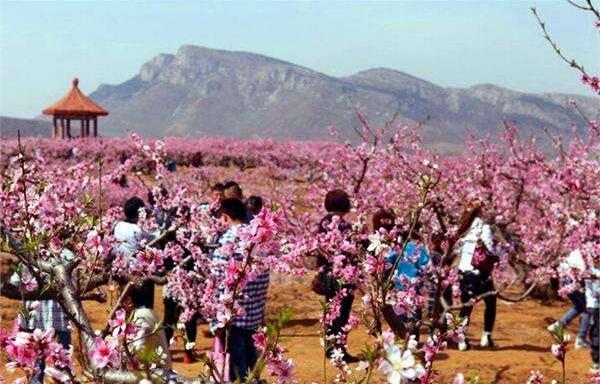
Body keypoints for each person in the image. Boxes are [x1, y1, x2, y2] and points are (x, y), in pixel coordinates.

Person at [211, 198, 270, 380]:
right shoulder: (256, 237)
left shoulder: (228, 240)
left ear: (225, 217)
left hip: (233, 316)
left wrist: (216, 319)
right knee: (251, 357)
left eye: (221, 219)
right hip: (254, 313)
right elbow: (265, 273)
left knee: (237, 364)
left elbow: (217, 279)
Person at [10, 249, 74, 384]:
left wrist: (31, 285)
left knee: (36, 362)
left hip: (36, 319)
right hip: (61, 319)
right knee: (63, 361)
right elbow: (73, 283)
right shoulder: (67, 255)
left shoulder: (29, 255)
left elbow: (15, 281)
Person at [316, 189, 358, 363]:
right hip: (343, 275)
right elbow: (350, 251)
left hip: (327, 273)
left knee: (331, 310)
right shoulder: (343, 225)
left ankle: (330, 348)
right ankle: (339, 351)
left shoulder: (323, 223)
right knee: (342, 313)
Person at [455, 200, 497, 350]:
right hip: (480, 273)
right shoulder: (483, 228)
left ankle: (462, 339)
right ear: (480, 211)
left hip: (463, 271)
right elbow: (490, 249)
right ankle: (486, 336)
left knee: (466, 306)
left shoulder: (463, 228)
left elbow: (455, 250)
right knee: (491, 303)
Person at [383, 220, 430, 340]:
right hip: (415, 288)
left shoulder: (400, 249)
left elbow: (387, 260)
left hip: (400, 288)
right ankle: (414, 339)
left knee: (400, 314)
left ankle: (402, 338)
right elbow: (426, 266)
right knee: (415, 316)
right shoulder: (420, 249)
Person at [112, 196, 156, 309]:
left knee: (124, 308)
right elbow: (157, 236)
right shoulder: (140, 230)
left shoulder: (117, 226)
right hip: (141, 275)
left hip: (122, 273)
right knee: (142, 311)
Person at [547, 249, 590, 349]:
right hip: (575, 278)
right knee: (589, 308)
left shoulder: (573, 248)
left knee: (579, 307)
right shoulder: (587, 248)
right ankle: (581, 339)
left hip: (565, 279)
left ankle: (558, 326)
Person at [123, 285, 172, 370]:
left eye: (121, 300)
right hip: (157, 370)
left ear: (129, 301)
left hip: (157, 374)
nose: (119, 305)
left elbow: (138, 348)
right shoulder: (146, 312)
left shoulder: (142, 317)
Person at [586, 268, 599, 373]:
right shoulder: (592, 272)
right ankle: (596, 362)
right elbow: (595, 293)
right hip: (595, 307)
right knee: (596, 334)